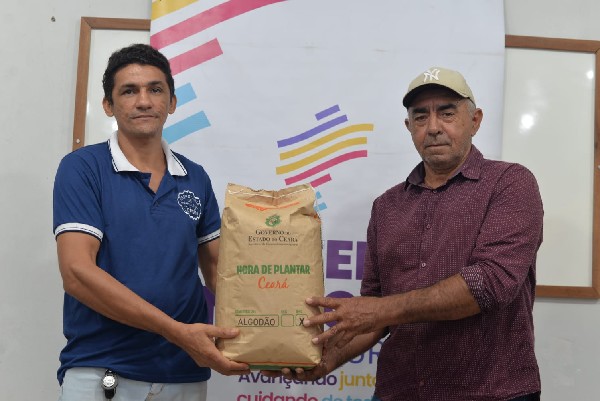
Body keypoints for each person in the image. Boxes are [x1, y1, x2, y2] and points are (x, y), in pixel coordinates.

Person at [265, 67, 543, 401]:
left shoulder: (510, 183)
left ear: (475, 120)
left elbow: (490, 283)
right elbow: (373, 308)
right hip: (398, 390)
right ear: (409, 127)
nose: (434, 127)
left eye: (447, 113)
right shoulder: (387, 206)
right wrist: (326, 358)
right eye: (421, 117)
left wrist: (380, 311)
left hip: (490, 391)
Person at [52, 43, 249, 401]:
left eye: (155, 90)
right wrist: (176, 331)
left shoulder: (195, 177)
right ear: (108, 105)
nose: (144, 101)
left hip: (184, 373)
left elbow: (220, 270)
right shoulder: (83, 168)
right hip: (104, 371)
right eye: (129, 91)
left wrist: (269, 337)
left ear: (171, 102)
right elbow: (77, 272)